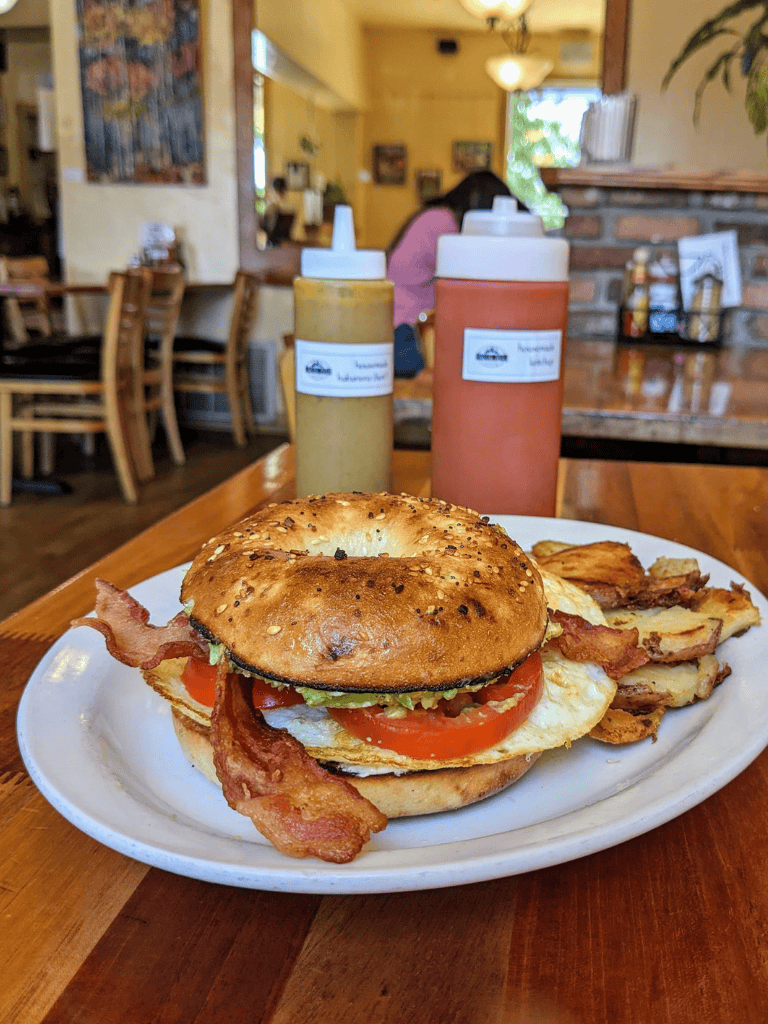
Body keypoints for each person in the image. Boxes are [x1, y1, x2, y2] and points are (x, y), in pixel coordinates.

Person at [387, 170, 518, 377]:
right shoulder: (443, 223)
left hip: (398, 324)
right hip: (405, 331)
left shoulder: (435, 215)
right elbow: (474, 280)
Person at [261, 177, 295, 247]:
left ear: (274, 189)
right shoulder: (291, 206)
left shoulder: (272, 207)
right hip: (286, 243)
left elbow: (266, 227)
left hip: (273, 244)